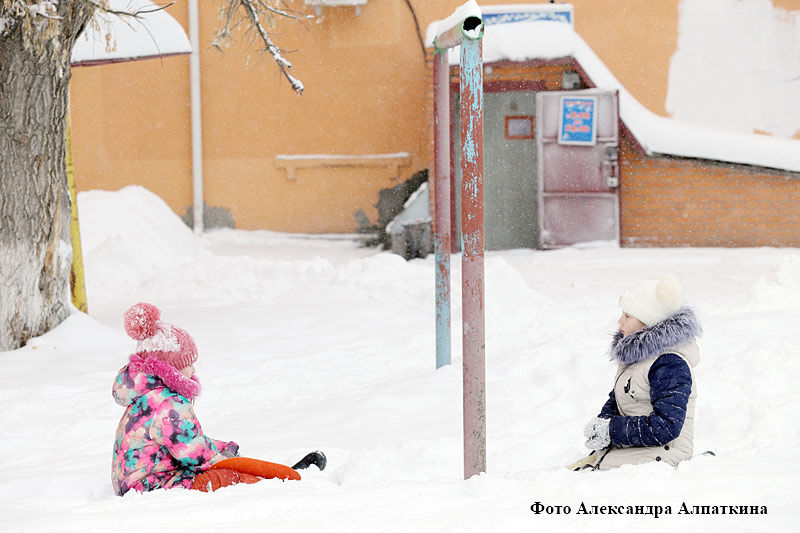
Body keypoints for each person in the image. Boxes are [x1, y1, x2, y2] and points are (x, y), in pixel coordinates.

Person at [112, 302, 326, 496]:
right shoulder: (168, 404)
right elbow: (195, 456)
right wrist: (230, 462)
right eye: (188, 363)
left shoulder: (147, 396)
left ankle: (278, 477)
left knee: (227, 463)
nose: (193, 369)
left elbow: (182, 441)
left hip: (138, 482)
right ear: (170, 369)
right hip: (150, 487)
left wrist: (222, 448)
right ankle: (278, 486)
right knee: (226, 478)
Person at [573, 275, 701, 471]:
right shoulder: (639, 358)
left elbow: (667, 426)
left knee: (590, 474)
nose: (620, 321)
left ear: (647, 321)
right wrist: (603, 422)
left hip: (666, 455)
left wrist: (612, 430)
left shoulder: (669, 364)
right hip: (643, 448)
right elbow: (619, 398)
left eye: (627, 316)